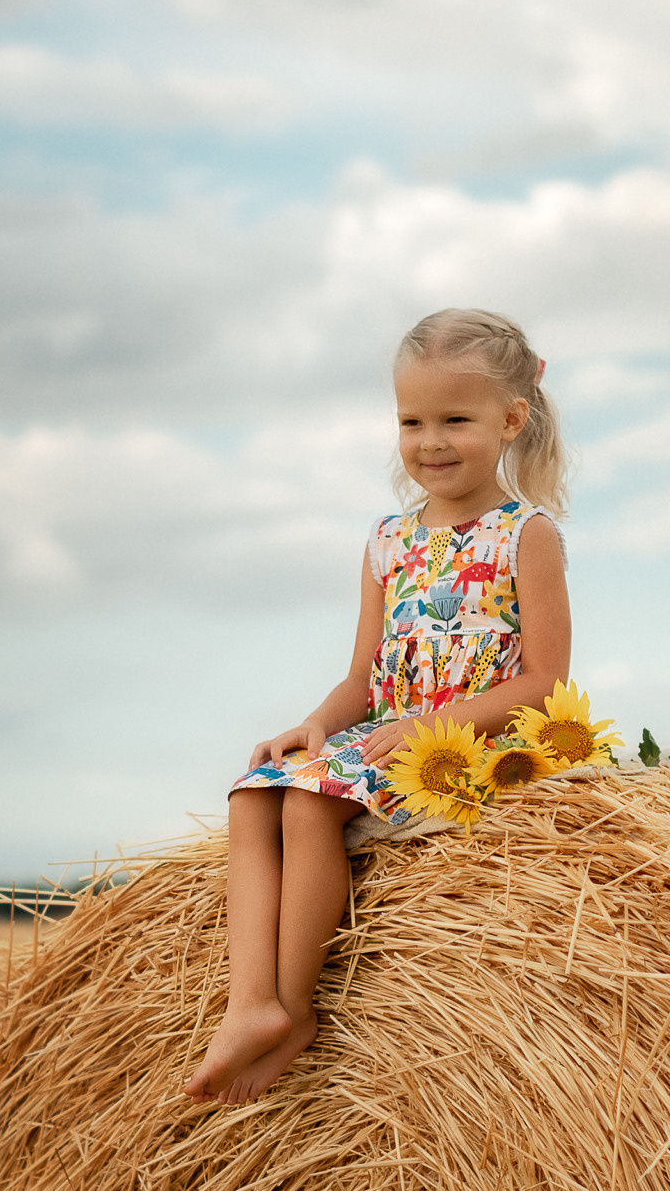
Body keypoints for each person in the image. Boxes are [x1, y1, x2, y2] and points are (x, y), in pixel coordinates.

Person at [183, 307, 572, 1106]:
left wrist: (431, 725)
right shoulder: (387, 540)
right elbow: (363, 675)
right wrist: (317, 725)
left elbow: (546, 682)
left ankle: (295, 1007)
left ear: (510, 421)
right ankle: (249, 1001)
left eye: (455, 420)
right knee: (253, 794)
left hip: (462, 746)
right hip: (378, 737)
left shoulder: (524, 533)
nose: (430, 442)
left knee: (308, 806)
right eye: (411, 422)